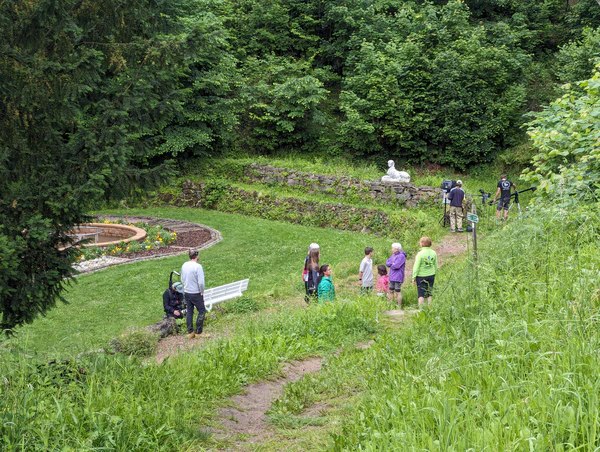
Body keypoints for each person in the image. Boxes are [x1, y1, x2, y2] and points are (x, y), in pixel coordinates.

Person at [181, 249, 209, 339]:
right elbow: (201, 282)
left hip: (187, 292)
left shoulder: (184, 265)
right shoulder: (198, 267)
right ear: (196, 256)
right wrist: (202, 291)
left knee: (189, 311)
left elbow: (182, 278)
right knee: (202, 311)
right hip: (196, 293)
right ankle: (198, 332)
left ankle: (190, 332)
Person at [412, 237, 438, 309]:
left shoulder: (420, 254)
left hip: (421, 276)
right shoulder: (433, 253)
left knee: (421, 293)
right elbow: (436, 265)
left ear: (422, 244)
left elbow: (416, 266)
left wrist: (414, 277)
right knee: (429, 292)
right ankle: (430, 308)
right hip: (431, 275)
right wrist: (434, 272)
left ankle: (421, 310)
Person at [386, 243, 406, 309]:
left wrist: (392, 264)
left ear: (397, 249)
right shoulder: (393, 255)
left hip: (398, 276)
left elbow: (396, 266)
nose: (392, 249)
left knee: (398, 291)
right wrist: (392, 264)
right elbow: (387, 262)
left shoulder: (402, 256)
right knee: (391, 290)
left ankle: (399, 306)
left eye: (393, 248)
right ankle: (390, 305)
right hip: (392, 275)